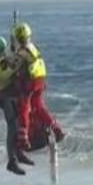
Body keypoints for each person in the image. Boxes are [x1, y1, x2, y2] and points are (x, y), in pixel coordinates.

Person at [0, 36, 35, 176]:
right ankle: (11, 161)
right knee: (12, 127)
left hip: (12, 95)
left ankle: (18, 154)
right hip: (3, 96)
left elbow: (12, 65)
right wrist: (13, 68)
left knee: (19, 125)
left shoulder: (3, 59)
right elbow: (0, 78)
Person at [11, 22, 65, 151]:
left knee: (24, 106)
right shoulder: (34, 47)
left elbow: (14, 66)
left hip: (30, 80)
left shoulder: (22, 51)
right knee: (39, 106)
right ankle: (55, 128)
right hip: (40, 78)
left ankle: (23, 135)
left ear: (18, 38)